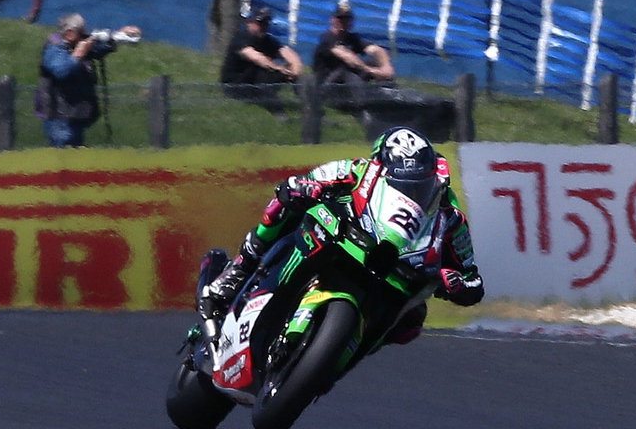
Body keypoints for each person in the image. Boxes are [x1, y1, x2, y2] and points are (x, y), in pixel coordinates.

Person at [197, 127, 483, 343]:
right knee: (286, 206)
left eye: (419, 186)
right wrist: (304, 187)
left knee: (411, 323)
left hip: (397, 271)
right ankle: (240, 268)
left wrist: (457, 283)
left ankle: (343, 349)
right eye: (401, 183)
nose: (410, 193)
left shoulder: (451, 217)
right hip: (351, 237)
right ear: (380, 167)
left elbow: (473, 280)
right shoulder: (360, 169)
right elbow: (307, 180)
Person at [35, 12, 142, 148]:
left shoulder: (75, 44)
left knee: (74, 155)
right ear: (69, 33)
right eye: (80, 32)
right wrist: (77, 56)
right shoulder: (55, 48)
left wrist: (119, 35)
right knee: (64, 155)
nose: (84, 35)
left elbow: (97, 49)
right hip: (60, 117)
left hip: (74, 114)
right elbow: (61, 71)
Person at [219, 6, 302, 117]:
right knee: (263, 78)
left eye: (266, 23)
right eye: (260, 23)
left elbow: (288, 53)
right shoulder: (241, 38)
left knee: (297, 78)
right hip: (236, 85)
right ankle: (279, 113)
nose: (264, 26)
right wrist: (279, 68)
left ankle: (309, 107)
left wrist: (294, 70)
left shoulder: (267, 40)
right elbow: (256, 57)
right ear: (249, 23)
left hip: (256, 81)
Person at [312, 2, 396, 112]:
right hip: (328, 85)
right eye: (340, 19)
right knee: (346, 70)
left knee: (375, 62)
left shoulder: (352, 38)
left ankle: (390, 98)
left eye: (346, 19)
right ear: (332, 20)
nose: (343, 22)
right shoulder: (327, 38)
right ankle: (361, 105)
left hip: (349, 82)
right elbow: (348, 58)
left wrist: (386, 66)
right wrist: (372, 71)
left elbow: (377, 50)